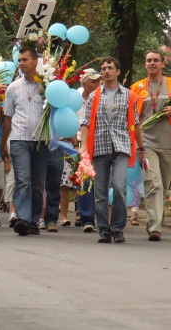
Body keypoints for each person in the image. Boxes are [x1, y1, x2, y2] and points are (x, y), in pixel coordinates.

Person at [80, 57, 144, 243]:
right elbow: (85, 123)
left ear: (118, 71)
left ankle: (117, 228)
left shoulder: (128, 95)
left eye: (110, 68)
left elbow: (135, 123)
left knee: (118, 186)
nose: (107, 71)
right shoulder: (95, 96)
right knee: (100, 192)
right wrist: (83, 146)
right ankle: (104, 229)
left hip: (122, 147)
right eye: (104, 68)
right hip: (100, 147)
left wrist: (141, 148)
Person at [130, 50, 171, 242]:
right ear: (145, 65)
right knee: (153, 183)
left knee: (162, 185)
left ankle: (157, 222)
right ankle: (154, 227)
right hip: (146, 144)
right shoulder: (136, 88)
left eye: (155, 60)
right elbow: (131, 117)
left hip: (170, 143)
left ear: (163, 63)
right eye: (148, 61)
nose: (152, 63)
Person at [0, 47, 49, 236]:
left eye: (24, 59)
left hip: (41, 141)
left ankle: (34, 220)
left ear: (35, 61)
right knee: (23, 180)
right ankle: (23, 219)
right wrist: (3, 143)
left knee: (37, 184)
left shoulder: (46, 85)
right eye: (19, 60)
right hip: (19, 139)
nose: (20, 63)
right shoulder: (13, 87)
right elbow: (7, 117)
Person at [73, 68, 101, 232]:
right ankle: (87, 218)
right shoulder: (75, 100)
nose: (97, 84)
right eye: (93, 81)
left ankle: (101, 216)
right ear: (84, 83)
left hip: (100, 143)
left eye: (98, 81)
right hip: (80, 143)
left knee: (101, 182)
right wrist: (76, 145)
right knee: (84, 180)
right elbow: (70, 121)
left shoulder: (102, 97)